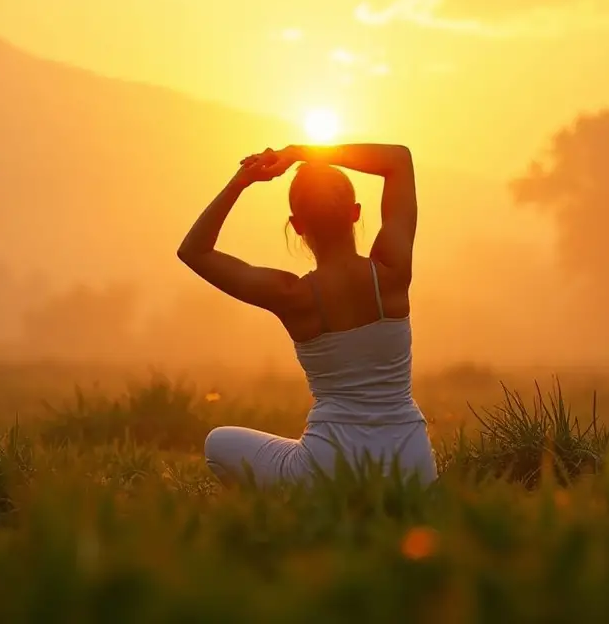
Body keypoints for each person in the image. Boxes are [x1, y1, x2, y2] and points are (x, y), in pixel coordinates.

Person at [176, 143, 436, 487]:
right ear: (355, 213)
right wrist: (302, 152)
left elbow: (194, 251)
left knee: (218, 442)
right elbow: (399, 159)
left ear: (297, 226)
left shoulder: (292, 295)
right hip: (412, 468)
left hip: (329, 471)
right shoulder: (391, 271)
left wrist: (241, 181)